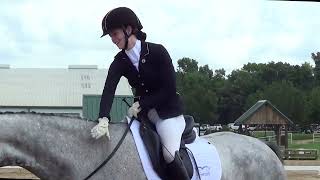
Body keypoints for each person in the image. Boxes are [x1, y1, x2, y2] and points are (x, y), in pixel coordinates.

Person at [90, 7, 189, 179]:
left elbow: (169, 89)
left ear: (128, 29)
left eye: (115, 34)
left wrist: (142, 103)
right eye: (111, 36)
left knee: (169, 155)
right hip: (144, 117)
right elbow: (108, 90)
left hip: (168, 114)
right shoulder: (119, 61)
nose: (113, 40)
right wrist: (104, 118)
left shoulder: (158, 52)